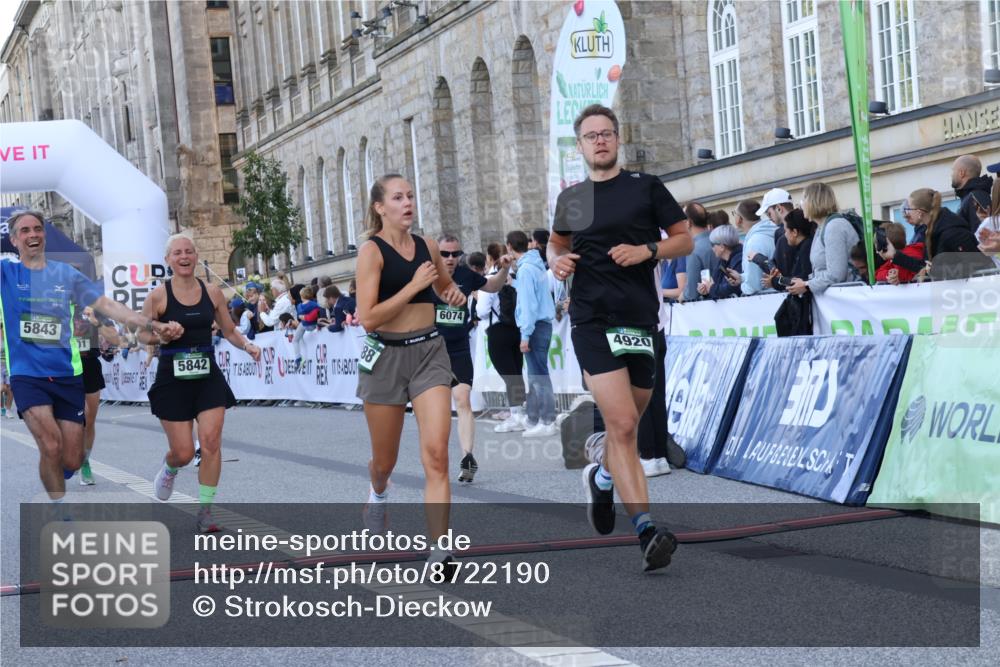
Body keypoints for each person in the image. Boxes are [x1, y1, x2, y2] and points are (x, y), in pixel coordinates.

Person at [549, 104, 692, 571]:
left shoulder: (645, 187)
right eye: (591, 136)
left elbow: (683, 240)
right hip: (592, 321)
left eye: (607, 133)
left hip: (640, 323)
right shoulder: (573, 198)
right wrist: (557, 262)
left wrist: (646, 250)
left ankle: (604, 478)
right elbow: (557, 244)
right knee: (625, 426)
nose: (600, 141)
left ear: (617, 138)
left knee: (626, 423)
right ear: (581, 145)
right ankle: (647, 529)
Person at [0, 210, 184, 503]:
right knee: (50, 444)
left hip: (66, 374)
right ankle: (58, 511)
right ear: (13, 239)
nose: (33, 235)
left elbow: (108, 306)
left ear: (44, 234)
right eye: (25, 231)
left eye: (37, 229)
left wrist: (151, 324)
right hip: (27, 375)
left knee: (71, 459)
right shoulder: (6, 273)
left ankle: (61, 471)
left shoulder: (66, 274)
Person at [354, 173, 465, 573]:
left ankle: (440, 549)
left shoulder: (428, 246)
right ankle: (378, 493)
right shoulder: (372, 251)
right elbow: (368, 318)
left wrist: (451, 293)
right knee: (384, 462)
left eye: (411, 196)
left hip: (429, 353)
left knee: (436, 455)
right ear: (380, 207)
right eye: (398, 197)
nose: (407, 203)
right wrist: (413, 285)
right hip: (385, 357)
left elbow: (444, 287)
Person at [143, 233, 261, 533]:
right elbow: (141, 335)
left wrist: (247, 346)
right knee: (183, 452)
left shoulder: (212, 292)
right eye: (177, 253)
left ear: (196, 256)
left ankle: (205, 511)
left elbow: (229, 330)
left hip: (207, 373)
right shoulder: (159, 295)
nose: (184, 257)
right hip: (173, 376)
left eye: (189, 252)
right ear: (168, 259)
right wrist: (161, 335)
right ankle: (170, 468)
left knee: (210, 442)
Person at [434, 233, 510, 482]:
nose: (450, 258)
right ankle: (438, 460)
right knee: (439, 409)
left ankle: (468, 457)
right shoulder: (426, 276)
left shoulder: (466, 275)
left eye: (455, 254)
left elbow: (493, 286)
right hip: (432, 350)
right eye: (445, 254)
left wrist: (504, 269)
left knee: (463, 400)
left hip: (458, 347)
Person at [508, 230, 557, 437]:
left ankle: (547, 420)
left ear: (509, 246)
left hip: (534, 326)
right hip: (541, 324)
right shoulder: (533, 266)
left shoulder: (526, 269)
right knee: (536, 374)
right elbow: (533, 294)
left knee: (538, 376)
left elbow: (528, 304)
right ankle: (535, 418)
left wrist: (525, 335)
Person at [73, 306, 121, 485]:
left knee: (89, 420)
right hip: (65, 367)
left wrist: (96, 322)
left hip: (89, 366)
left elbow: (116, 337)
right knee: (67, 418)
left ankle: (84, 461)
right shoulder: (59, 304)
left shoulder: (96, 310)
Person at [788, 183, 859, 297]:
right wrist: (804, 283)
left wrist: (807, 285)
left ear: (815, 201)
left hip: (848, 300)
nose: (800, 204)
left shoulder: (834, 227)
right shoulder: (822, 227)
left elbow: (836, 274)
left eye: (804, 198)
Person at [904, 187, 993, 278]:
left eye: (909, 209)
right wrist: (896, 256)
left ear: (919, 212)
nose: (907, 213)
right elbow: (926, 265)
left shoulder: (952, 232)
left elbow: (976, 263)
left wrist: (936, 270)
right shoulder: (930, 231)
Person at [728, 198, 776, 296]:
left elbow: (754, 285)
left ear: (739, 219)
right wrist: (742, 278)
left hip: (765, 300)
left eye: (734, 213)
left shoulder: (755, 241)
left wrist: (743, 287)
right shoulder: (768, 231)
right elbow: (760, 273)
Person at [767, 209, 815, 291]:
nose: (785, 235)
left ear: (794, 232)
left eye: (786, 230)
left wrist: (774, 281)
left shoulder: (806, 248)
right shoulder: (804, 246)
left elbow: (800, 281)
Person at [700, 224, 743, 299]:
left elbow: (732, 288)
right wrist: (706, 290)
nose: (712, 248)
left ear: (722, 247)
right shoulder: (722, 261)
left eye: (713, 244)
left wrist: (712, 288)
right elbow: (715, 286)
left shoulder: (739, 260)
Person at [951, 154, 993, 232]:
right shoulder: (969, 196)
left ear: (961, 173)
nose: (951, 175)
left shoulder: (975, 198)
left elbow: (982, 235)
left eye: (953, 171)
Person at [682, 202, 714, 302]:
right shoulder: (719, 240)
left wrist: (681, 297)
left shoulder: (693, 249)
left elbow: (691, 293)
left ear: (688, 222)